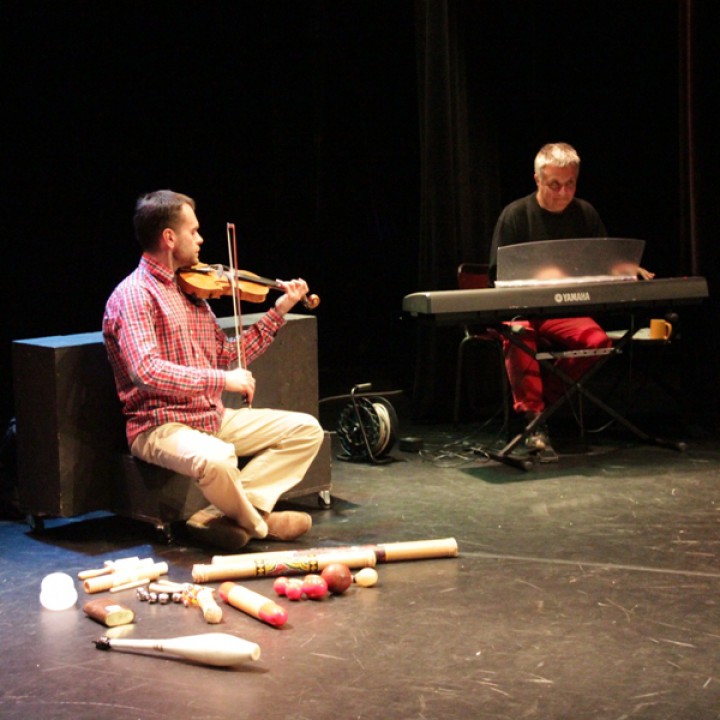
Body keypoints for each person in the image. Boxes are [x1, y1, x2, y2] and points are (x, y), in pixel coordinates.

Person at [103, 189, 325, 550]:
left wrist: (280, 309)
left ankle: (224, 516)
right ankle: (259, 525)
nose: (201, 239)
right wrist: (223, 380)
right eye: (193, 231)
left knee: (306, 430)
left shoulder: (191, 292)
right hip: (160, 425)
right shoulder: (134, 295)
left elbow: (226, 354)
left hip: (210, 417)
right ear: (169, 238)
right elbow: (147, 371)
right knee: (219, 458)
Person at [488, 142, 653, 456]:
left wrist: (624, 267)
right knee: (519, 333)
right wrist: (540, 276)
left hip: (563, 309)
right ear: (537, 179)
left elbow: (602, 262)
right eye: (554, 184)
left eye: (570, 184)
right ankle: (533, 420)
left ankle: (542, 408)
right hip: (521, 309)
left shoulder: (585, 212)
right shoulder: (515, 215)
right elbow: (499, 275)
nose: (563, 192)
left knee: (597, 341)